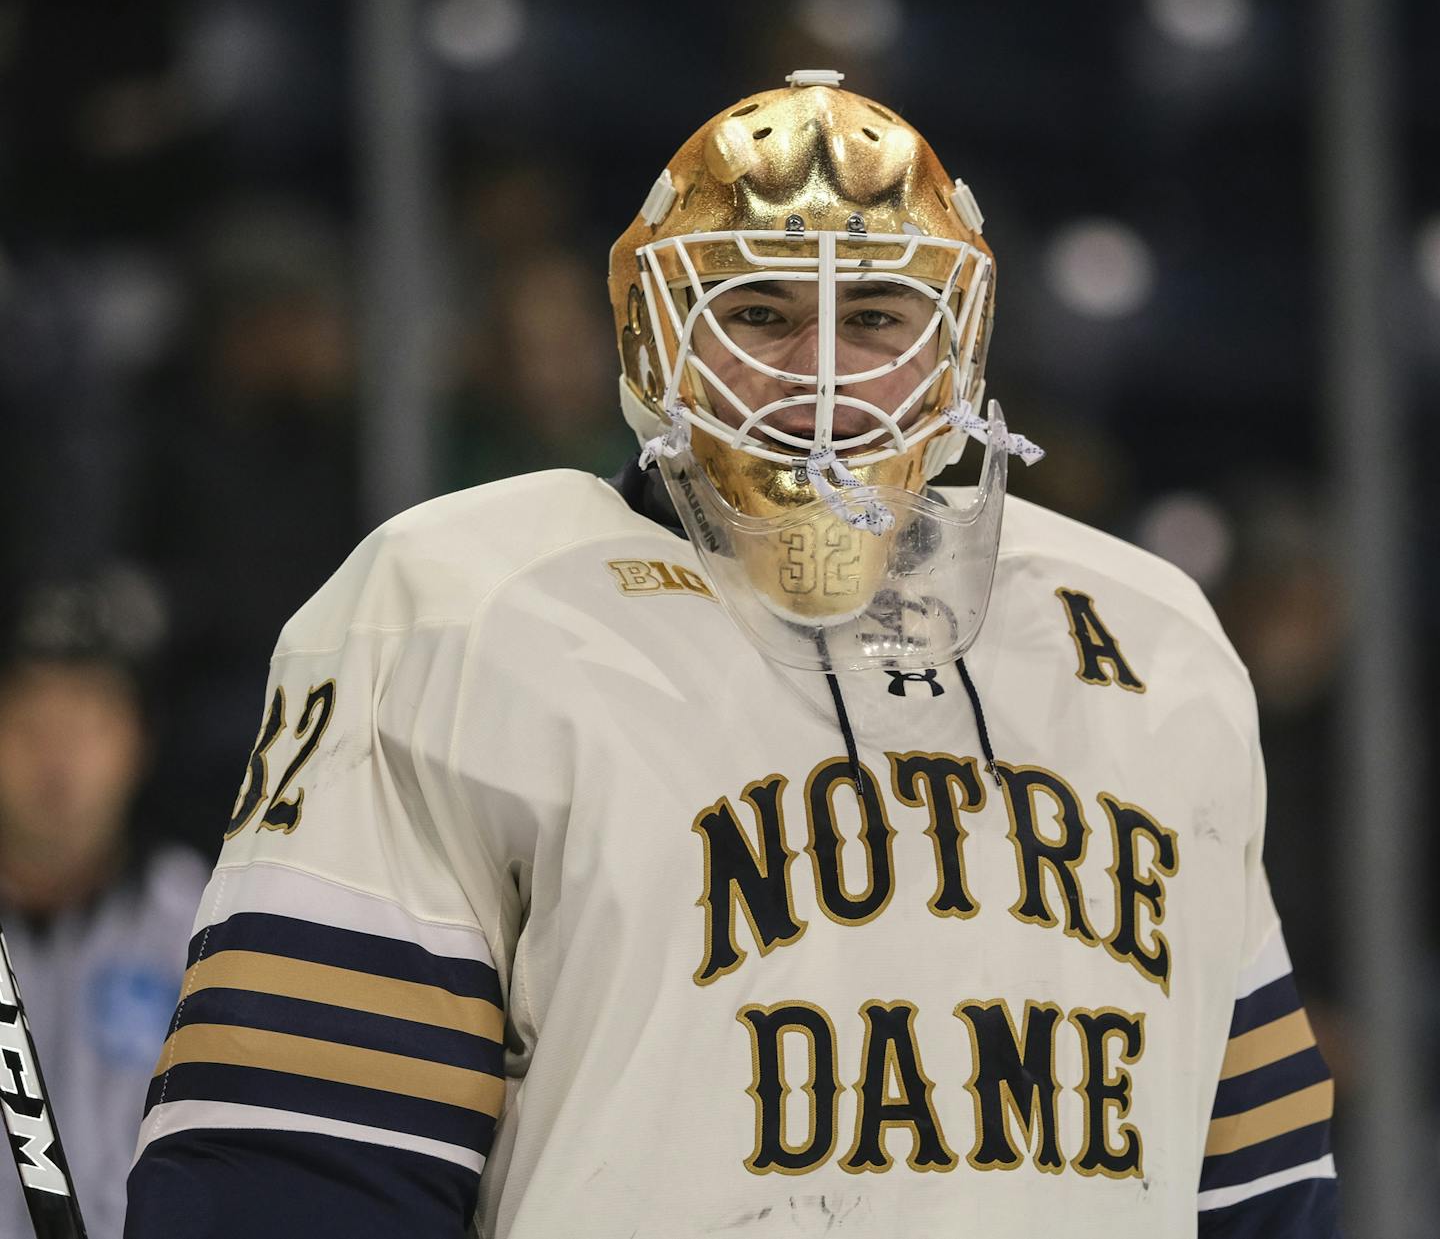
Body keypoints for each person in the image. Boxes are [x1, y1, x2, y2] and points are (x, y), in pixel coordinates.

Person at [126, 72, 1339, 1237]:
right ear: (654, 337)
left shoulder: (1153, 633)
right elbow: (304, 1160)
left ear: (958, 342)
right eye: (758, 311)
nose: (820, 376)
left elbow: (1260, 1190)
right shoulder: (456, 606)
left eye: (874, 316)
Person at [0, 580, 208, 1239]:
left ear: (139, 741)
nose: (57, 761)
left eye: (89, 724)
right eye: (30, 720)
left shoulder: (206, 923)